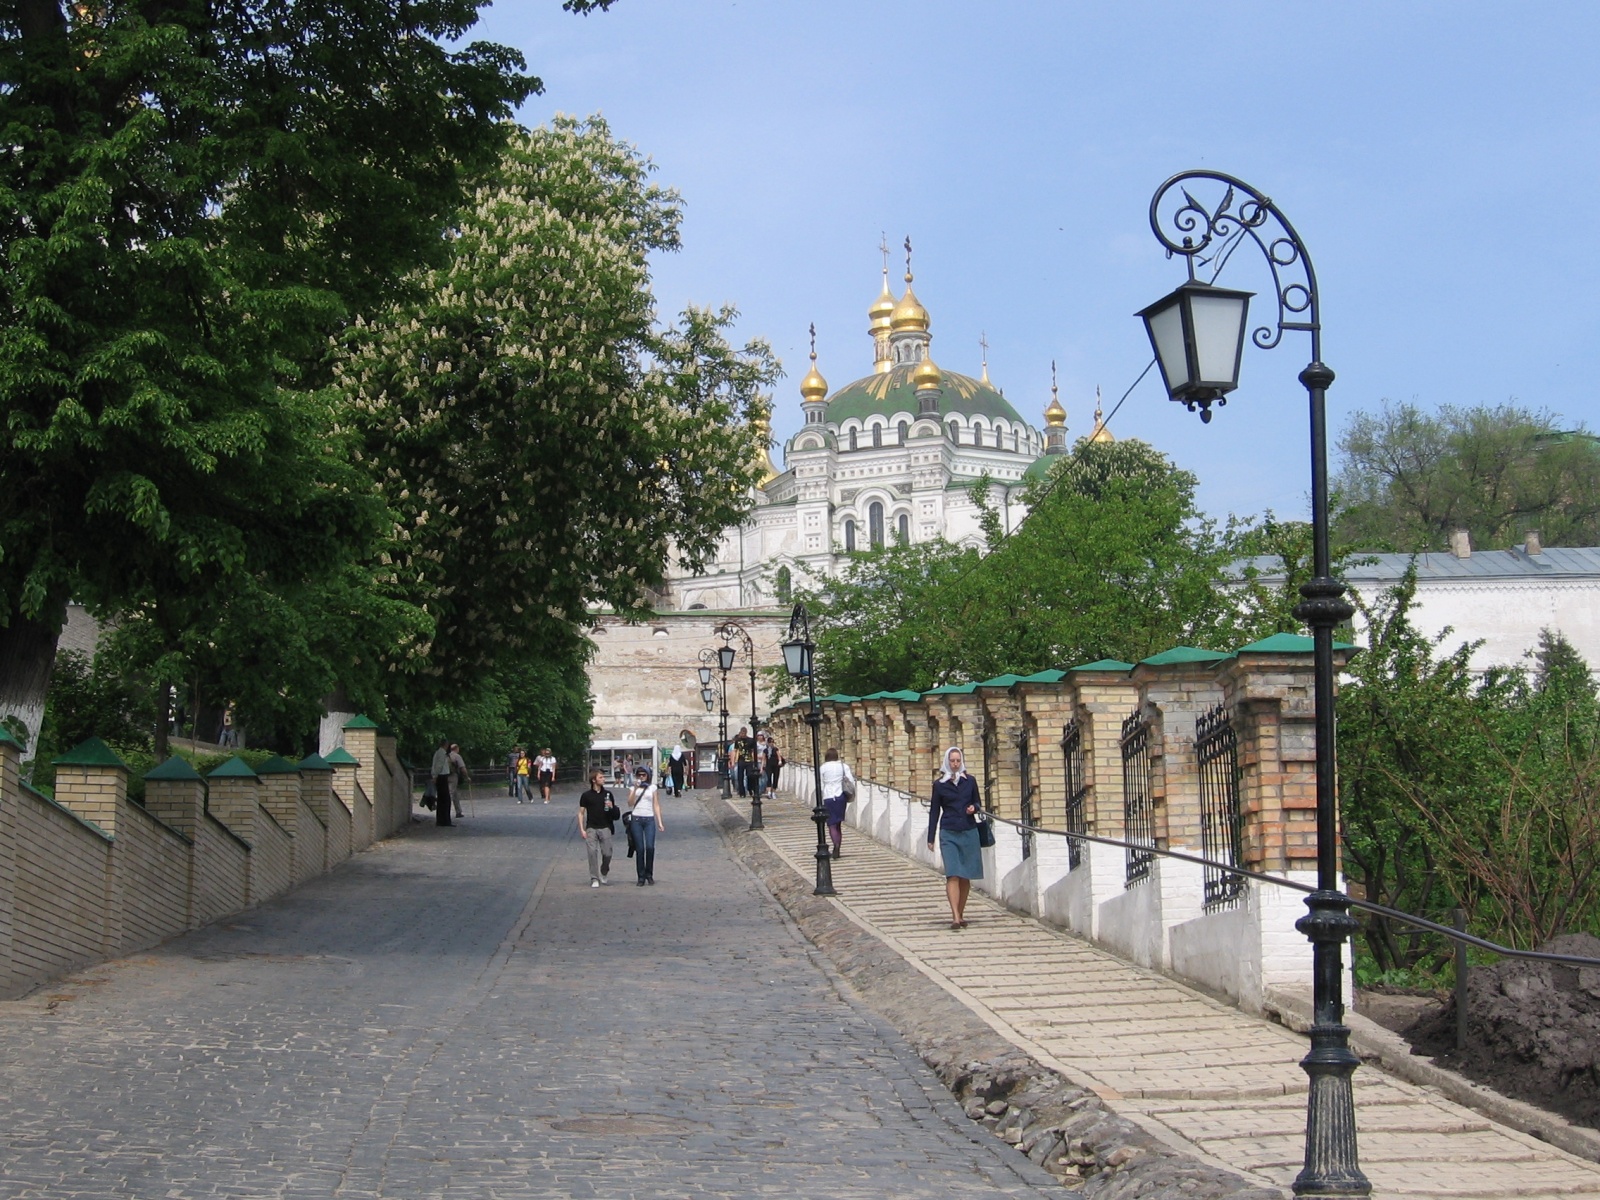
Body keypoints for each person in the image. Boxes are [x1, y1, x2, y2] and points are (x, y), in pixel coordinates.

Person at [927, 746, 981, 929]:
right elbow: (934, 810)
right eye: (952, 761)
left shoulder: (970, 781)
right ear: (947, 762)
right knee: (953, 874)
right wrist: (931, 837)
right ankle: (955, 917)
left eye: (958, 760)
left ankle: (962, 912)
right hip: (948, 831)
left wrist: (974, 808)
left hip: (968, 830)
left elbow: (978, 802)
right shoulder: (939, 785)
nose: (955, 764)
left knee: (965, 876)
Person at [578, 771, 621, 887]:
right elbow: (581, 813)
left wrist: (612, 807)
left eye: (603, 777)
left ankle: (604, 871)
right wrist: (582, 829)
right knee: (592, 853)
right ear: (594, 780)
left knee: (607, 853)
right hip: (591, 827)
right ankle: (594, 878)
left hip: (605, 826)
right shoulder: (586, 796)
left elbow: (615, 814)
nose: (603, 779)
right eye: (600, 777)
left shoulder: (608, 794)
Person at [628, 766, 664, 885]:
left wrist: (659, 821)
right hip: (636, 818)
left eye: (644, 775)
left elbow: (656, 804)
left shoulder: (652, 788)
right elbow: (630, 803)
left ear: (648, 775)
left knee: (650, 847)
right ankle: (641, 876)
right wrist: (635, 789)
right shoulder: (633, 787)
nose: (642, 777)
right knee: (640, 849)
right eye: (639, 775)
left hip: (649, 819)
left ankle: (649, 873)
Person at [817, 747, 856, 859]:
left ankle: (835, 844)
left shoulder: (823, 768)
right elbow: (850, 781)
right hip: (841, 796)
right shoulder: (843, 766)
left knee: (831, 823)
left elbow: (820, 783)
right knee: (838, 822)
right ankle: (838, 845)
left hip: (828, 797)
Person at [430, 738, 454, 827]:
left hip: (440, 776)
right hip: (441, 776)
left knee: (441, 799)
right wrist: (435, 776)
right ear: (446, 745)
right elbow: (439, 765)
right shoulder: (442, 753)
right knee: (445, 800)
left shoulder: (438, 752)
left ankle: (441, 820)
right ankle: (445, 820)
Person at [733, 726, 757, 798]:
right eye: (741, 732)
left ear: (746, 732)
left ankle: (750, 788)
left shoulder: (750, 740)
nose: (742, 734)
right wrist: (734, 760)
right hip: (741, 760)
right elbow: (736, 750)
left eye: (744, 732)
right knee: (740, 777)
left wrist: (753, 760)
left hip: (749, 760)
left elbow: (753, 751)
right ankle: (742, 792)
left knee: (750, 775)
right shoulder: (738, 741)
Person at [448, 742, 469, 818]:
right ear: (457, 748)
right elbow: (462, 768)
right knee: (451, 793)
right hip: (453, 776)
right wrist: (467, 777)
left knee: (454, 793)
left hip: (445, 776)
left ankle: (458, 811)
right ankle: (446, 813)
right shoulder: (457, 756)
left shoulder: (447, 756)